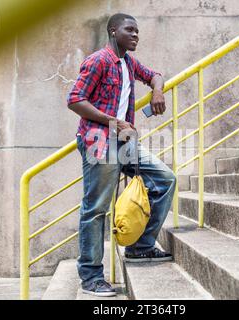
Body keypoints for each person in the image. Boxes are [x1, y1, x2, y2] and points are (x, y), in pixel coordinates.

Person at [67, 13, 176, 297]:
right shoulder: (99, 60)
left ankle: (140, 246)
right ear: (113, 31)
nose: (136, 35)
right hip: (98, 141)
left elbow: (155, 75)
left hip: (123, 142)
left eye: (138, 31)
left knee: (165, 179)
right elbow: (75, 99)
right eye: (130, 30)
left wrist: (157, 90)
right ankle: (91, 277)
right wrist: (112, 122)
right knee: (96, 208)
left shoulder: (128, 62)